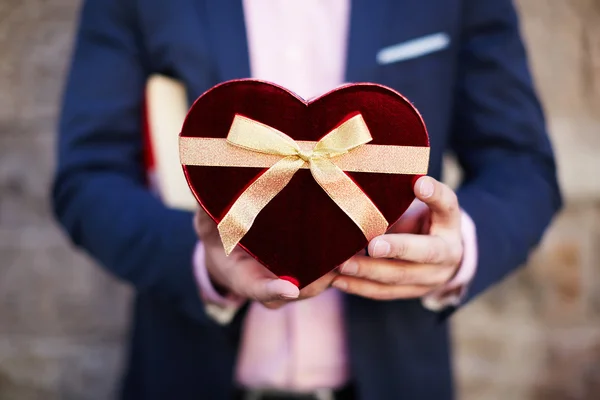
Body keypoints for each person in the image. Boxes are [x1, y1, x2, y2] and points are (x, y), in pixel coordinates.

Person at [52, 0, 562, 399]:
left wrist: (457, 248)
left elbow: (523, 168)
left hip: (395, 381)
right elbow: (88, 176)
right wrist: (199, 260)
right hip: (185, 377)